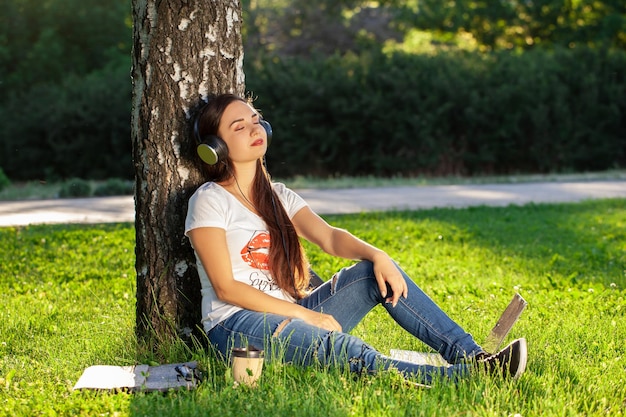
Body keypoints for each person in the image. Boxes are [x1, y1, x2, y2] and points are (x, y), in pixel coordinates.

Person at [185, 93, 527, 385]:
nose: (254, 129)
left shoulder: (278, 195)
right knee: (346, 351)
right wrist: (307, 317)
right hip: (237, 325)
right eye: (239, 127)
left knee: (371, 274)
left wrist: (377, 254)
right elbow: (226, 288)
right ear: (215, 148)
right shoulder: (210, 200)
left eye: (256, 120)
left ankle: (474, 357)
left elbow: (331, 238)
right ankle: (464, 380)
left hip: (291, 312)